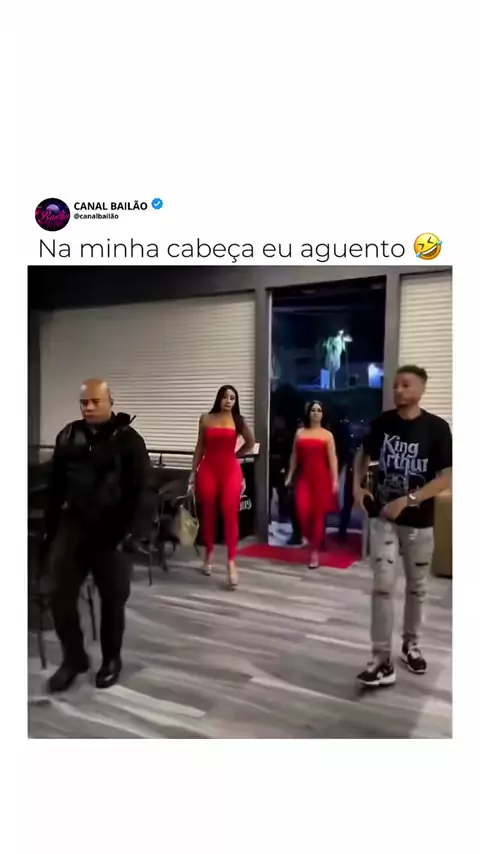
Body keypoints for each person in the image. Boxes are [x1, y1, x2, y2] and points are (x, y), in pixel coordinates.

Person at [42, 379, 152, 693]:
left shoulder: (128, 440)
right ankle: (74, 657)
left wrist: (132, 535)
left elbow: (143, 490)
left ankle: (111, 660)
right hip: (74, 527)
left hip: (113, 530)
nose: (88, 407)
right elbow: (56, 486)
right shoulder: (68, 435)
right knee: (59, 594)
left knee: (112, 600)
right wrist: (52, 530)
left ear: (109, 402)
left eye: (95, 401)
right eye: (83, 402)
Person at [353, 365, 452, 688]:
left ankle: (411, 645)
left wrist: (408, 500)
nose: (398, 390)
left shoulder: (437, 428)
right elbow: (362, 454)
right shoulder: (383, 423)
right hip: (382, 520)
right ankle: (381, 660)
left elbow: (447, 478)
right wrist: (357, 487)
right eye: (395, 385)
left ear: (421, 389)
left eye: (405, 385)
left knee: (416, 588)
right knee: (382, 587)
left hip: (418, 524)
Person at [190, 385, 255, 588]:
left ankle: (231, 561)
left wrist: (236, 455)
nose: (228, 401)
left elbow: (250, 443)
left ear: (235, 402)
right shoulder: (206, 419)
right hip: (208, 470)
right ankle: (208, 553)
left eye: (232, 398)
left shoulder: (238, 421)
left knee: (229, 512)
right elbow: (199, 447)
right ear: (219, 398)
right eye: (225, 397)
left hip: (230, 471)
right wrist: (193, 472)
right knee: (208, 512)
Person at [285, 401, 338, 569]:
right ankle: (309, 538)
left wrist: (335, 480)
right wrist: (290, 475)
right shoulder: (300, 433)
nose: (316, 413)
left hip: (321, 479)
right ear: (308, 413)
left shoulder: (327, 435)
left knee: (318, 516)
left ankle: (314, 551)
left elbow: (333, 460)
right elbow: (294, 456)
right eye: (313, 410)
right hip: (305, 479)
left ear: (323, 414)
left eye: (319, 410)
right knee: (302, 511)